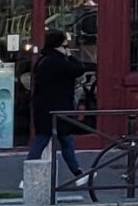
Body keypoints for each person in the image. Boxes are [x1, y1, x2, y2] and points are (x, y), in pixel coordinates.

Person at [27, 31, 92, 189]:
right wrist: (69, 55)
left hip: (43, 107)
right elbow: (78, 69)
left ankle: (77, 173)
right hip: (58, 108)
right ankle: (77, 174)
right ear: (60, 45)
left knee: (51, 139)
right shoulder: (59, 61)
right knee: (60, 140)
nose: (67, 47)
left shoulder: (43, 60)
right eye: (65, 45)